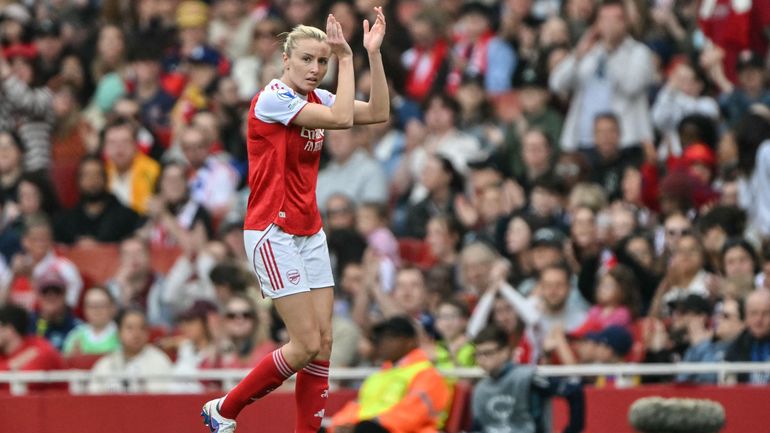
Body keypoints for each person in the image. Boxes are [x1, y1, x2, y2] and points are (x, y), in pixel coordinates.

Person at [202, 10, 389, 433]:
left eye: (321, 62)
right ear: (285, 60)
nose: (315, 69)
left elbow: (378, 111)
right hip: (272, 230)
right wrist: (345, 58)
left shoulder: (316, 98)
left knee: (323, 344)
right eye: (307, 59)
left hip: (309, 230)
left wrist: (371, 55)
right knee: (303, 344)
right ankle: (224, 410)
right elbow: (342, 119)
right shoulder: (273, 99)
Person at [327, 316, 451, 433]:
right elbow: (356, 407)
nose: (382, 343)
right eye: (380, 338)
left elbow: (413, 414)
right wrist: (339, 425)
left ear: (410, 342)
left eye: (390, 338)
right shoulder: (378, 376)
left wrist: (366, 425)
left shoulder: (427, 374)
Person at [470, 325, 584, 433]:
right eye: (478, 354)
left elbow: (573, 390)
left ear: (505, 351)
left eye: (487, 353)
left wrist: (572, 429)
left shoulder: (527, 377)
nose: (481, 359)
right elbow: (478, 426)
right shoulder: (480, 389)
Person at [53, 155, 143, 245]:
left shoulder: (127, 217)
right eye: (86, 175)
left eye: (97, 174)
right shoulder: (65, 221)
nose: (92, 180)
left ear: (105, 179)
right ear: (78, 181)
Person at [89, 308, 173, 394]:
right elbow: (94, 394)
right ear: (118, 332)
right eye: (130, 328)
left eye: (142, 328)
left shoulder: (159, 360)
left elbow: (163, 397)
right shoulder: (106, 363)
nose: (136, 334)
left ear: (148, 332)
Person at [0, 303, 64, 391]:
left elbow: (24, 385)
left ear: (9, 329)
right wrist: (11, 365)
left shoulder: (39, 348)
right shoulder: (3, 354)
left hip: (58, 403)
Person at [725, 289, 770, 384]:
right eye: (754, 313)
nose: (759, 319)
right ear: (746, 316)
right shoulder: (736, 347)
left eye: (765, 313)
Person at [62, 286, 120, 356]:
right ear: (84, 309)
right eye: (91, 306)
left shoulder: (121, 335)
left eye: (101, 305)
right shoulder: (75, 337)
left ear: (112, 307)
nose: (96, 310)